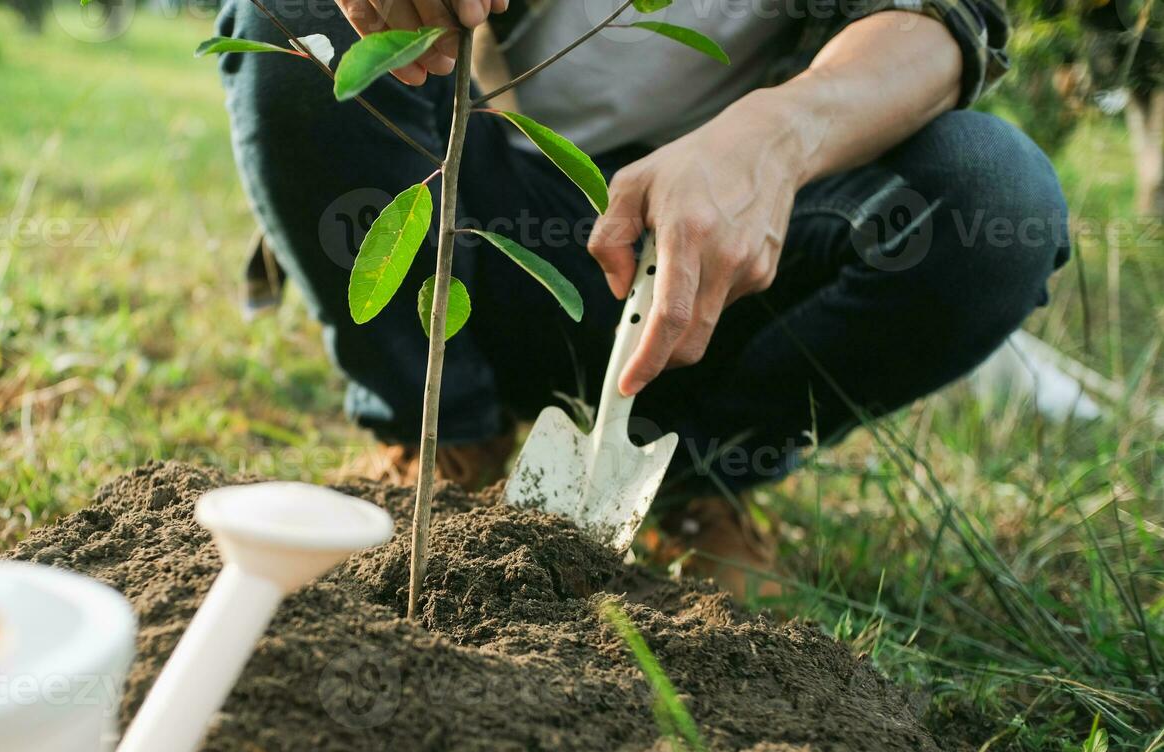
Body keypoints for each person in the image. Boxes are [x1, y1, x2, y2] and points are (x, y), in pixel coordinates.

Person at [213, 0, 1071, 598]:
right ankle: (441, 439)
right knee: (298, 13)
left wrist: (774, 138)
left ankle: (696, 481)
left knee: (997, 198)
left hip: (745, 264)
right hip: (498, 227)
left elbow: (942, 21)